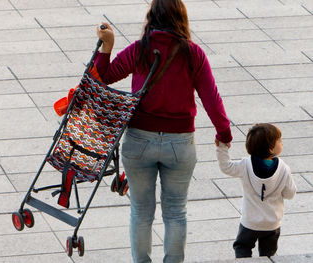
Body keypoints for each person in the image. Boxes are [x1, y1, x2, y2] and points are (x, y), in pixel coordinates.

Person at [95, 0, 232, 262]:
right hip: (179, 144)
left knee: (141, 212)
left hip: (139, 141)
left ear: (151, 18)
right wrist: (223, 133)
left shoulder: (140, 50)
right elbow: (211, 99)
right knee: (176, 212)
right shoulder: (194, 54)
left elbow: (105, 76)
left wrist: (107, 46)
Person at [215, 123, 296, 258]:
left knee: (242, 246)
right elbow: (290, 194)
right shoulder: (284, 169)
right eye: (280, 141)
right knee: (268, 254)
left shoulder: (245, 165)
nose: (282, 143)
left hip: (250, 222)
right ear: (271, 148)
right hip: (272, 223)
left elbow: (226, 167)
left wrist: (222, 148)